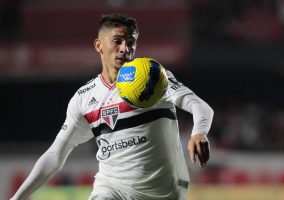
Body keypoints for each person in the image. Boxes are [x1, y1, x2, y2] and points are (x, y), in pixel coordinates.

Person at [10, 13, 214, 200]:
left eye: (130, 42)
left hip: (164, 193)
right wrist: (17, 198)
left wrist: (199, 132)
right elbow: (55, 156)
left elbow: (200, 106)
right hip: (111, 189)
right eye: (117, 41)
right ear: (98, 45)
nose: (125, 48)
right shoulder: (84, 98)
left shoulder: (154, 78)